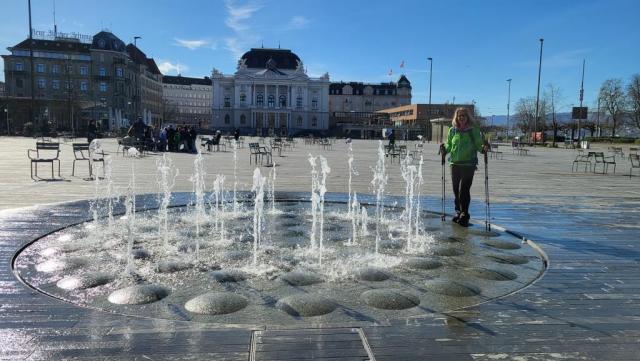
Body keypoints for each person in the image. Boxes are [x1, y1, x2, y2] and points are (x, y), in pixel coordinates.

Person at [439, 107, 489, 227]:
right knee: (456, 190)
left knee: (464, 190)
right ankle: (458, 211)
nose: (462, 118)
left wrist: (484, 148)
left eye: (464, 116)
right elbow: (449, 144)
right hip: (455, 164)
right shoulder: (452, 130)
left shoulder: (473, 130)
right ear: (456, 117)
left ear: (468, 117)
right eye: (459, 116)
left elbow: (478, 144)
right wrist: (444, 148)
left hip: (469, 164)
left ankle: (465, 214)